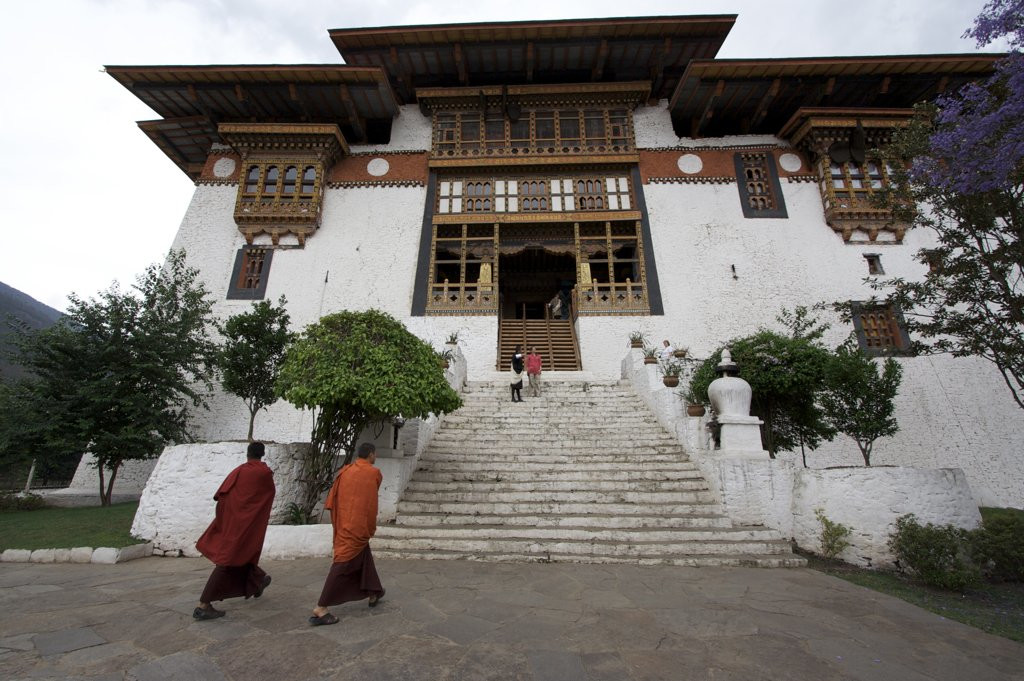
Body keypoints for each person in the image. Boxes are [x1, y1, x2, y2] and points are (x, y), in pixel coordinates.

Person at [193, 441, 276, 620]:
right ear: (262, 454)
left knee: (245, 553)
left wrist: (226, 520)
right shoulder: (263, 473)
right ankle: (203, 605)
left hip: (232, 521)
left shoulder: (238, 471)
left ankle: (258, 581)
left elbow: (221, 496)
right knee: (228, 560)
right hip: (245, 523)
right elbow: (267, 495)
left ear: (247, 454)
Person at [309, 442, 386, 626]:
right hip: (358, 524)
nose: (375, 458)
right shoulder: (373, 473)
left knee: (363, 555)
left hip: (344, 522)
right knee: (342, 563)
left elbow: (335, 500)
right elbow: (369, 500)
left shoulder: (345, 471)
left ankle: (374, 590)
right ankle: (321, 608)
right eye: (374, 455)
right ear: (371, 455)